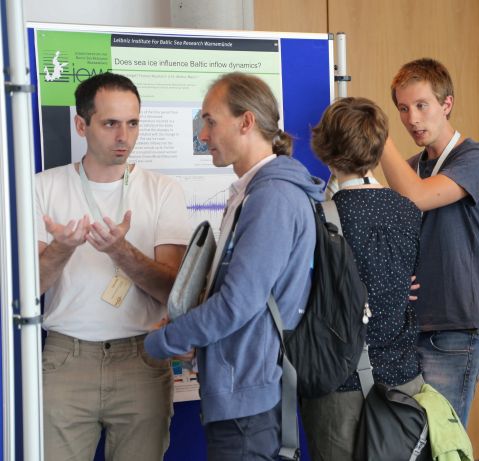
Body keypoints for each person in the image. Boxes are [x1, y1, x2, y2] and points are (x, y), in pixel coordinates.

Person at [144, 73, 323, 460]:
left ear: (246, 122)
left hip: (250, 399)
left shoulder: (272, 196)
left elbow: (238, 303)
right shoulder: (255, 192)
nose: (203, 135)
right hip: (245, 390)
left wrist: (165, 340)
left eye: (210, 121)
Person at [36, 72, 191, 460]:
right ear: (81, 125)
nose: (124, 136)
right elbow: (28, 291)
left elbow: (173, 289)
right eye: (110, 124)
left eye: (133, 123)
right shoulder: (43, 187)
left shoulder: (163, 190)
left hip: (141, 357)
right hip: (65, 358)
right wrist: (61, 248)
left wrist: (121, 251)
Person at [379, 58, 479, 425]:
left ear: (446, 104)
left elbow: (418, 196)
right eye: (402, 108)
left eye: (421, 105)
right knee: (411, 443)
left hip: (453, 328)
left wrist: (378, 139)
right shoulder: (410, 166)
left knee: (441, 444)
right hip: (407, 326)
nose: (411, 119)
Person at [300, 97, 422, 460]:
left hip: (339, 382)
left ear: (324, 148)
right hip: (403, 379)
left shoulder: (318, 217)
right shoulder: (408, 210)